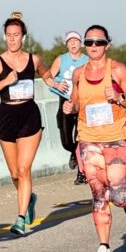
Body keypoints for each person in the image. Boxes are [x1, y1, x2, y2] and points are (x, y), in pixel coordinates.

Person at [63, 25, 126, 252]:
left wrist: (119, 97)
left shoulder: (117, 70)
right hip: (88, 139)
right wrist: (71, 107)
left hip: (116, 139)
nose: (93, 46)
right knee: (98, 192)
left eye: (98, 42)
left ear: (107, 44)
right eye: (89, 42)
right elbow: (77, 102)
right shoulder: (79, 73)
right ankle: (104, 247)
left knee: (117, 194)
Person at [0, 13, 59, 235]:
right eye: (9, 35)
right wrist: (4, 81)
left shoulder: (33, 59)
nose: (13, 39)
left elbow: (46, 73)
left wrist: (54, 83)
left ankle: (20, 218)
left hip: (29, 116)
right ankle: (29, 197)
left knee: (24, 170)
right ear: (4, 37)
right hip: (6, 116)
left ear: (23, 37)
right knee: (15, 174)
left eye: (17, 35)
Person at [48, 30, 89, 185]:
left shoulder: (87, 60)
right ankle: (73, 152)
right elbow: (48, 78)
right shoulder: (61, 60)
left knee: (80, 138)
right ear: (66, 45)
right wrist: (58, 85)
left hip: (82, 104)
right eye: (69, 41)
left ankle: (81, 173)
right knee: (66, 141)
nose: (72, 43)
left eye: (76, 40)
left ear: (81, 44)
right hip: (65, 102)